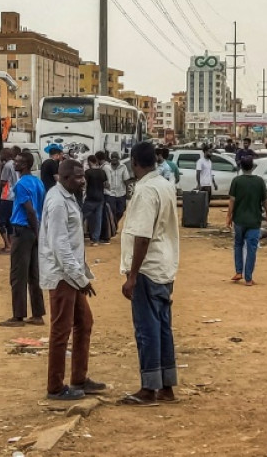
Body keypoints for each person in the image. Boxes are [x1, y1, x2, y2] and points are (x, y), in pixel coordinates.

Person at [118, 142, 180, 407]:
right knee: (162, 326)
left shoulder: (145, 190)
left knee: (147, 329)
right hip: (165, 265)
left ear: (134, 162)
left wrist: (132, 275)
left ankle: (149, 388)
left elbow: (141, 236)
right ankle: (166, 385)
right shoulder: (165, 184)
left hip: (147, 267)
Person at [40, 159, 106, 401]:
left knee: (84, 322)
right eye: (78, 177)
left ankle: (79, 378)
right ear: (65, 177)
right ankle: (55, 387)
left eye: (82, 176)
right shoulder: (58, 202)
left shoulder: (67, 197)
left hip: (73, 275)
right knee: (61, 330)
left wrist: (81, 276)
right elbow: (61, 246)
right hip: (62, 276)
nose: (82, 180)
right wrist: (81, 279)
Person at [0, 152, 46, 327]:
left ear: (25, 165)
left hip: (23, 230)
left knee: (18, 275)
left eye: (18, 162)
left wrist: (35, 231)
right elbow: (39, 209)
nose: (15, 164)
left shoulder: (21, 185)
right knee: (34, 274)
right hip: (34, 230)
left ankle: (18, 316)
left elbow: (30, 211)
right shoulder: (38, 182)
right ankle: (37, 314)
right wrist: (39, 233)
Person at [227, 156, 267, 286]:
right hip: (254, 221)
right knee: (251, 249)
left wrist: (228, 217)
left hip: (239, 220)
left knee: (238, 245)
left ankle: (238, 271)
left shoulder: (236, 181)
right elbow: (265, 202)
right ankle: (249, 278)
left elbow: (231, 201)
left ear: (241, 167)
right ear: (252, 167)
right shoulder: (259, 181)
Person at [0, 149, 18, 254]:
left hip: (6, 196)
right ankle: (11, 245)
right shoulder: (15, 164)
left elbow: (3, 182)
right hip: (14, 197)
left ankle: (7, 245)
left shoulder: (7, 166)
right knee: (10, 222)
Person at [82, 155, 109, 246]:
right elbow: (106, 184)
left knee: (81, 217)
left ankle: (76, 236)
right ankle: (95, 240)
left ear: (90, 162)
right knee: (98, 219)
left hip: (90, 198)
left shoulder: (88, 172)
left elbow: (84, 185)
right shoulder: (102, 172)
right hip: (100, 197)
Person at [104, 152, 130, 231]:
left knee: (121, 211)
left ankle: (115, 224)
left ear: (118, 158)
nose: (114, 159)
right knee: (112, 211)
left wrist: (128, 192)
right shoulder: (106, 167)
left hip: (121, 193)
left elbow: (126, 180)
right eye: (113, 158)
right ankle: (114, 228)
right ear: (110, 159)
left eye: (116, 158)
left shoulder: (123, 167)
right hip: (110, 193)